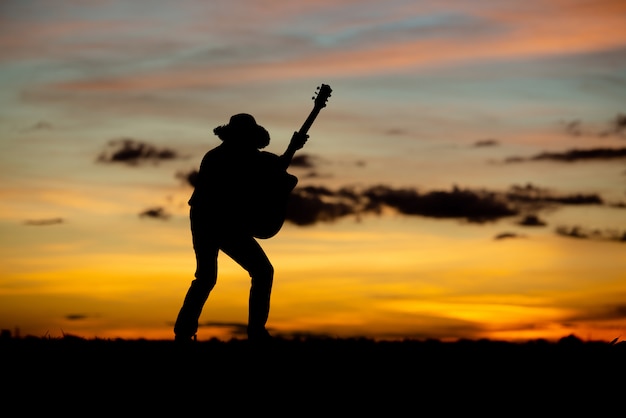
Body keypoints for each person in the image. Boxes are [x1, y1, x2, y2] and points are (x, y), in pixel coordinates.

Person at [174, 113, 308, 343]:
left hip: (211, 220)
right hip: (215, 221)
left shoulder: (231, 156)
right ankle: (253, 333)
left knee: (209, 278)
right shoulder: (229, 157)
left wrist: (291, 148)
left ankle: (185, 333)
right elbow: (271, 170)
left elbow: (273, 168)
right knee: (254, 273)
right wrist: (289, 151)